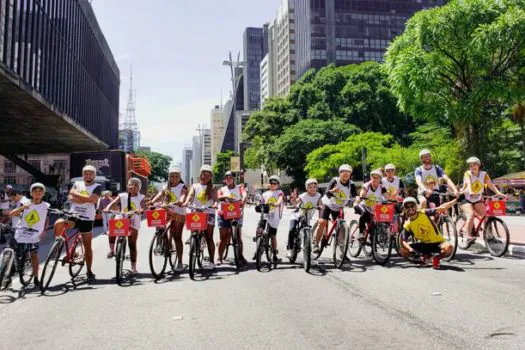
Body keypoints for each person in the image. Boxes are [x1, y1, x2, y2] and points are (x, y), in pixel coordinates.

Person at [54, 165, 101, 281]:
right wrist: (84, 198)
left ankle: (89, 270)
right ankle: (58, 247)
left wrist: (77, 195)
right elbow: (70, 198)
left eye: (90, 174)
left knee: (87, 247)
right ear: (83, 174)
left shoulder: (97, 186)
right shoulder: (77, 184)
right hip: (73, 215)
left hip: (87, 218)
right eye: (86, 173)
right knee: (58, 223)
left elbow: (93, 200)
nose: (88, 175)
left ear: (94, 175)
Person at [6, 183, 50, 287]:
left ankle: (36, 278)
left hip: (35, 234)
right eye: (35, 191)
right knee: (15, 254)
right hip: (22, 232)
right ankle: (7, 276)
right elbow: (12, 214)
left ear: (43, 193)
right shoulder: (25, 203)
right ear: (31, 193)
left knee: (34, 255)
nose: (37, 194)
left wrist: (45, 230)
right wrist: (22, 208)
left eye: (40, 191)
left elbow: (47, 219)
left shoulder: (46, 206)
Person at [459, 157, 507, 248]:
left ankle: (489, 237)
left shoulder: (484, 174)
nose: (472, 167)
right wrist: (471, 191)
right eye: (470, 165)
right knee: (471, 215)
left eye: (474, 165)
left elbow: (491, 185)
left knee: (486, 217)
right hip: (466, 198)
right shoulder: (467, 173)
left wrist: (499, 193)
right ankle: (468, 236)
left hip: (477, 199)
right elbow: (469, 183)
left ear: (479, 165)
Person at [103, 178, 146, 274]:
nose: (133, 186)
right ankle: (111, 249)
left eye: (136, 185)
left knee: (132, 245)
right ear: (127, 186)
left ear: (139, 187)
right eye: (131, 184)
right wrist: (107, 208)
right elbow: (113, 203)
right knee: (112, 230)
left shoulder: (141, 197)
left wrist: (141, 210)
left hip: (134, 220)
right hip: (121, 218)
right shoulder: (122, 195)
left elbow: (143, 206)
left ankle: (133, 267)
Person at [150, 167, 187, 272]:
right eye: (172, 176)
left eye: (176, 176)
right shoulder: (165, 186)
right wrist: (152, 201)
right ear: (169, 177)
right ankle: (164, 242)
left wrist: (180, 201)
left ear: (179, 177)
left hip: (178, 211)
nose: (174, 178)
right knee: (158, 222)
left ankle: (179, 262)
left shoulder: (182, 186)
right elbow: (159, 195)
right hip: (166, 209)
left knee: (177, 236)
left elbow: (183, 195)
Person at [398, 197, 455, 264]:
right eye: (407, 207)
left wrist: (456, 200)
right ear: (404, 209)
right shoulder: (407, 224)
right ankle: (423, 257)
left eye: (412, 206)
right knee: (402, 251)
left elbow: (441, 208)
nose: (410, 208)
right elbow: (403, 241)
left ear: (416, 207)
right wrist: (411, 250)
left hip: (437, 242)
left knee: (449, 248)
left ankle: (436, 258)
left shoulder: (424, 212)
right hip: (424, 245)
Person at [314, 164, 357, 253]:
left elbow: (354, 196)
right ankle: (315, 244)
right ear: (340, 173)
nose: (346, 174)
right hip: (327, 204)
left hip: (339, 207)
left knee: (342, 227)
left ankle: (342, 252)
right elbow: (327, 192)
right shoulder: (335, 180)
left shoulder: (351, 184)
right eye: (343, 172)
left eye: (348, 173)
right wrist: (332, 191)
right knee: (322, 222)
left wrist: (356, 200)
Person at [182, 165, 217, 270]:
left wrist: (215, 204)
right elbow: (190, 195)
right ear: (200, 175)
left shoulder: (213, 187)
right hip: (196, 211)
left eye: (207, 175)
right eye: (203, 174)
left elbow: (215, 199)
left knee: (209, 237)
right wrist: (186, 202)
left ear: (211, 177)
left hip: (209, 212)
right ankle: (194, 239)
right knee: (193, 227)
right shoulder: (195, 186)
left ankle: (211, 261)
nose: (205, 176)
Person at [217, 171, 247, 266]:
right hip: (223, 214)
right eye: (227, 178)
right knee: (223, 237)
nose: (228, 179)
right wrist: (225, 196)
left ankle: (240, 256)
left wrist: (243, 201)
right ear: (224, 179)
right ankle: (219, 257)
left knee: (238, 237)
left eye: (230, 178)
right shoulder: (222, 189)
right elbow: (218, 197)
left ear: (234, 179)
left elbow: (244, 195)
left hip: (236, 213)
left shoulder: (239, 188)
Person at [287, 178, 322, 258]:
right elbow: (296, 202)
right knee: (292, 229)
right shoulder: (303, 196)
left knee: (307, 235)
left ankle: (308, 254)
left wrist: (320, 207)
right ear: (306, 188)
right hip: (297, 215)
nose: (312, 188)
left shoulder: (318, 196)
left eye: (314, 187)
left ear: (317, 188)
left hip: (307, 217)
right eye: (310, 187)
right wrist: (293, 200)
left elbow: (321, 204)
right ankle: (290, 249)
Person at [354, 169, 388, 238]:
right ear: (370, 178)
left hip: (374, 209)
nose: (375, 179)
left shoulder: (382, 187)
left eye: (377, 178)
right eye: (373, 177)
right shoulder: (367, 185)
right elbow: (362, 192)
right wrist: (362, 195)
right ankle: (361, 232)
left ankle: (373, 242)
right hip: (364, 206)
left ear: (380, 179)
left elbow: (387, 197)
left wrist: (392, 200)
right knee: (364, 213)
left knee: (373, 227)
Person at [261, 175, 285, 262]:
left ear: (278, 185)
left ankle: (274, 254)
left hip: (275, 216)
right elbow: (261, 201)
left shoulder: (280, 192)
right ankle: (259, 246)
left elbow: (280, 199)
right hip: (266, 215)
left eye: (275, 183)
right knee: (259, 229)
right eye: (271, 183)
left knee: (273, 236)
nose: (272, 185)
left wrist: (277, 203)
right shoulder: (265, 194)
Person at [98, 191, 113, 256]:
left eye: (108, 194)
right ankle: (105, 231)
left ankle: (109, 230)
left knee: (109, 221)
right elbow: (100, 205)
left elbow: (112, 205)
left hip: (109, 212)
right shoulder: (101, 199)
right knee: (104, 221)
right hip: (103, 211)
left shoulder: (111, 199)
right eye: (106, 194)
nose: (107, 195)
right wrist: (99, 210)